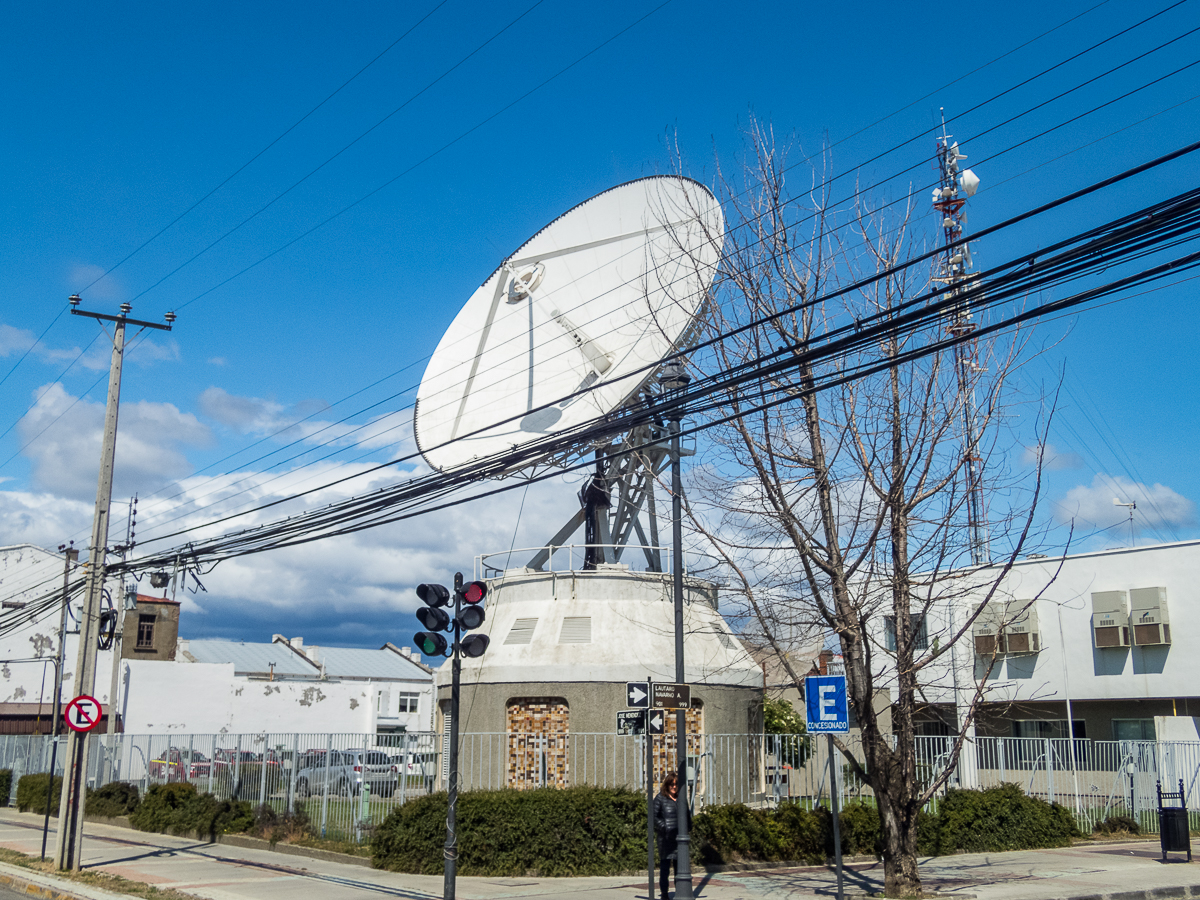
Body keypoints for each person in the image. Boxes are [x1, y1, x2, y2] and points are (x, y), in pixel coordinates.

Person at [653, 770, 689, 899]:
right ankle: (664, 894)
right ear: (667, 785)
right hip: (666, 840)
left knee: (680, 870)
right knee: (665, 869)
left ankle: (680, 893)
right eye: (671, 784)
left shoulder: (681, 798)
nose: (674, 787)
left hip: (679, 840)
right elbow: (654, 817)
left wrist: (688, 829)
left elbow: (687, 815)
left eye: (676, 784)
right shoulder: (660, 798)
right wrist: (665, 827)